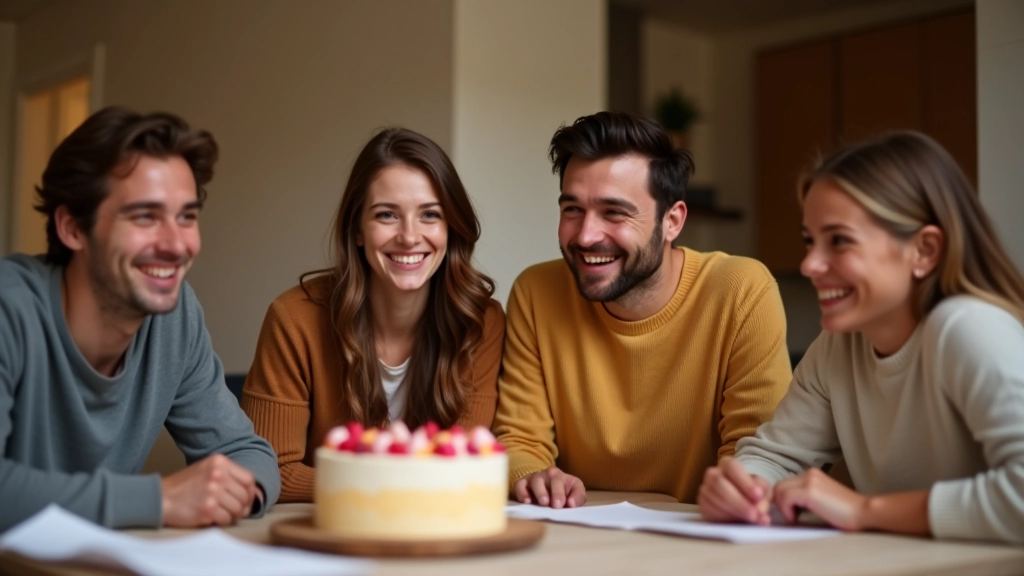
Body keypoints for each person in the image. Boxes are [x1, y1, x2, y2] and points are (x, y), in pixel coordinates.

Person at [698, 131, 1024, 544]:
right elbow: (775, 457)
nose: (810, 264)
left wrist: (864, 510)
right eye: (809, 241)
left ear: (924, 250)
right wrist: (743, 489)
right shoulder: (839, 345)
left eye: (839, 241)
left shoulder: (968, 328)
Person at [492, 111, 793, 508]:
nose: (585, 235)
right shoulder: (537, 291)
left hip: (702, 542)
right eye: (572, 209)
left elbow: (758, 450)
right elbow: (519, 438)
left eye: (614, 212)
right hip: (576, 540)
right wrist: (531, 475)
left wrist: (744, 493)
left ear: (672, 221)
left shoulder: (741, 291)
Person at [0, 107, 280, 532]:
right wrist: (160, 500)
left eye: (186, 216)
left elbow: (245, 450)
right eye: (145, 216)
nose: (176, 244)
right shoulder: (9, 307)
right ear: (72, 227)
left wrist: (235, 491)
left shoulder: (174, 316)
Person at [242, 128, 504, 502]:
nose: (410, 237)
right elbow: (270, 469)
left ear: (451, 228)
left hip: (435, 538)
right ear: (358, 230)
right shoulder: (293, 320)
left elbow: (464, 463)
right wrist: (385, 485)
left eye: (430, 215)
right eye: (386, 215)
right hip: (328, 539)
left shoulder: (480, 322)